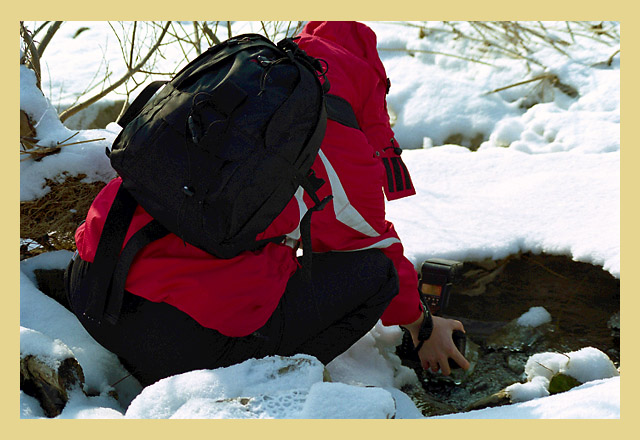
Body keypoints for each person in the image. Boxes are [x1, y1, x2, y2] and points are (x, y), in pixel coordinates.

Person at [66, 21, 469, 387]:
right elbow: (367, 243)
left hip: (91, 286)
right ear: (371, 85)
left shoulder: (235, 82)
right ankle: (264, 388)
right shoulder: (321, 127)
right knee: (376, 275)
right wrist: (423, 323)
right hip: (174, 344)